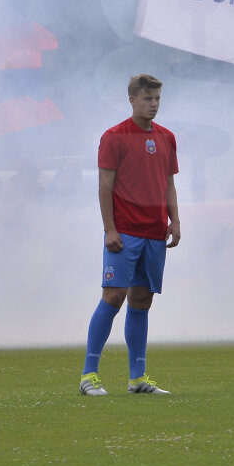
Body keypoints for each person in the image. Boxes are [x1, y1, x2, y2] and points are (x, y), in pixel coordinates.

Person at [79, 74, 181, 396]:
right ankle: (88, 375)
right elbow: (104, 186)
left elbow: (168, 184)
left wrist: (175, 220)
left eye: (157, 99)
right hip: (124, 233)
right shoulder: (114, 136)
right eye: (148, 99)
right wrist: (109, 228)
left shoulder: (167, 137)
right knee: (113, 296)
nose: (154, 105)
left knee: (142, 301)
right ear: (132, 100)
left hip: (154, 232)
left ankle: (137, 378)